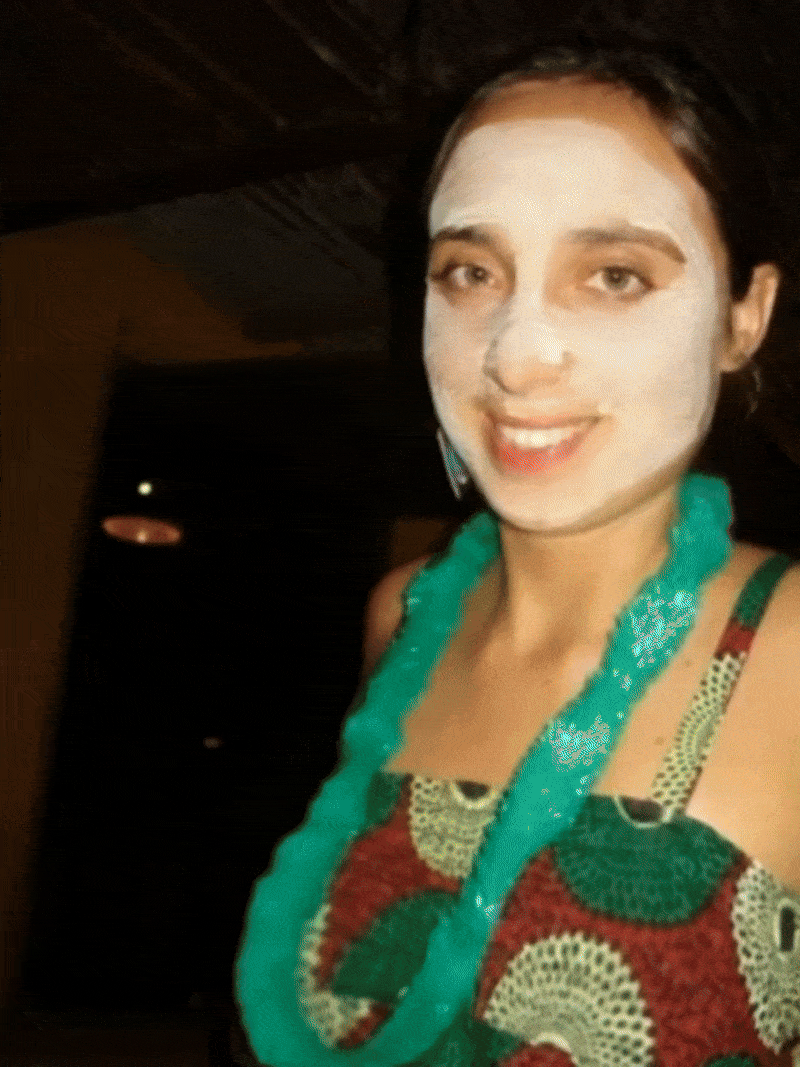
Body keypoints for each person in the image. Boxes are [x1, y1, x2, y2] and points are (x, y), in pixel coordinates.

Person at [234, 31, 800, 1067]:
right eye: (470, 271)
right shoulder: (404, 614)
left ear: (742, 316)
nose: (516, 354)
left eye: (615, 274)